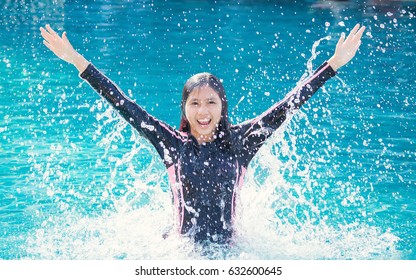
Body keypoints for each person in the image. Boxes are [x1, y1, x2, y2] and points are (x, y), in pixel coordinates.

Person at [40, 23, 365, 244]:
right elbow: (122, 103)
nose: (203, 111)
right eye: (194, 103)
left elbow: (290, 103)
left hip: (232, 254)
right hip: (179, 255)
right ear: (184, 109)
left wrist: (334, 63)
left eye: (211, 102)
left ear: (222, 106)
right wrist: (76, 60)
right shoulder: (170, 142)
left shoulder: (243, 141)